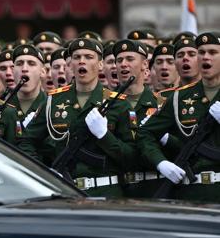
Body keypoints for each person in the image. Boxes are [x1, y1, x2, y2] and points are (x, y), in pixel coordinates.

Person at [18, 38, 134, 197]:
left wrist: (104, 136)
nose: (82, 62)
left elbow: (132, 156)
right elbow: (27, 141)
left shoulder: (118, 103)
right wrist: (45, 173)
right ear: (70, 64)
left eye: (89, 57)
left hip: (107, 191)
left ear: (100, 64)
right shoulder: (53, 101)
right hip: (67, 190)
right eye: (77, 57)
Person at [137, 32, 220, 201]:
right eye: (201, 52)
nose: (205, 57)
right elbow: (144, 134)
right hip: (193, 193)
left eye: (212, 52)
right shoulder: (178, 97)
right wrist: (160, 162)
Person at [111, 39, 166, 197]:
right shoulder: (106, 104)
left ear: (144, 65)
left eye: (130, 59)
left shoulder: (161, 104)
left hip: (155, 186)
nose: (123, 64)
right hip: (119, 188)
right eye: (119, 60)